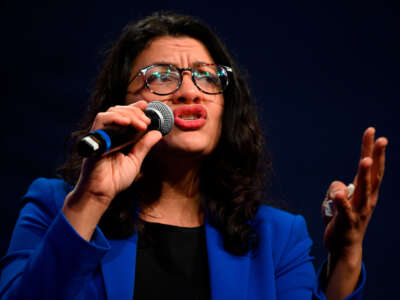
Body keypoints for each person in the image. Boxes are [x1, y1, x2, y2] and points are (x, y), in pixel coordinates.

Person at [0, 11, 388, 300]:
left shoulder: (276, 237)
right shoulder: (56, 206)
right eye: (162, 76)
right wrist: (92, 199)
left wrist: (347, 252)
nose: (190, 91)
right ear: (121, 104)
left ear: (226, 109)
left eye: (207, 76)